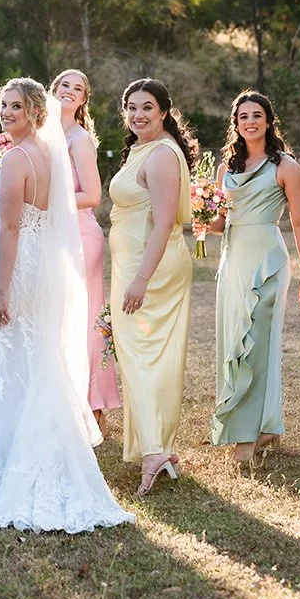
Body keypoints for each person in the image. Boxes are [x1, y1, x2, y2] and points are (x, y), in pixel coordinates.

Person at [0, 78, 133, 534]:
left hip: (14, 268)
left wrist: (1, 290)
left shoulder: (16, 158)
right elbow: (33, 216)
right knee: (32, 359)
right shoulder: (48, 154)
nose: (6, 113)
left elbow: (12, 229)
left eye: (15, 106)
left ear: (36, 111)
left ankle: (8, 461)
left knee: (6, 359)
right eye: (2, 105)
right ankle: (30, 447)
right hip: (39, 265)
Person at [197, 90, 300, 466]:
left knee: (258, 344)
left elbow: (299, 222)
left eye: (257, 115)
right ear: (235, 123)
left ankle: (247, 436)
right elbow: (218, 223)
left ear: (268, 121)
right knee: (234, 341)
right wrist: (199, 210)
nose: (250, 121)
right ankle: (268, 425)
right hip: (232, 262)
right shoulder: (225, 170)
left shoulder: (286, 166)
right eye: (243, 116)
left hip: (267, 261)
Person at [108, 79, 196, 496]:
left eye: (147, 107)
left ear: (164, 111)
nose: (138, 114)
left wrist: (140, 278)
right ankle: (154, 443)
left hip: (150, 269)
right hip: (132, 264)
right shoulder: (140, 149)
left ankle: (154, 449)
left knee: (143, 355)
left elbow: (164, 222)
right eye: (131, 107)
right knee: (143, 355)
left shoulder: (161, 155)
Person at [50, 68, 121, 431]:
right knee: (56, 318)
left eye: (78, 89)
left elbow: (92, 196)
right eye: (65, 84)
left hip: (80, 236)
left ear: (82, 101)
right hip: (50, 236)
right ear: (54, 89)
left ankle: (95, 406)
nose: (70, 91)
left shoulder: (79, 139)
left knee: (88, 319)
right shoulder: (40, 133)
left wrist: (44, 199)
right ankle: (61, 398)